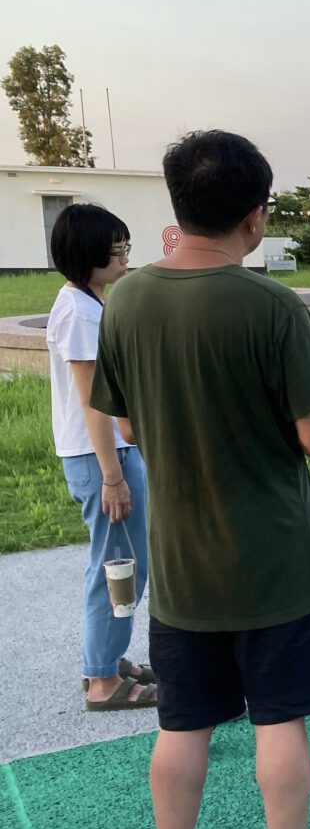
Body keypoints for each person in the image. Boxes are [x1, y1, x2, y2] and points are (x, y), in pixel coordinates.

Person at [91, 130, 310, 829]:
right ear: (255, 215)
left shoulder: (128, 300)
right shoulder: (272, 306)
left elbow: (128, 420)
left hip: (183, 567)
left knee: (183, 723)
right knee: (279, 721)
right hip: (277, 560)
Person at [46, 204, 154, 711]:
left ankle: (107, 661)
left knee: (121, 563)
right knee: (116, 566)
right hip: (102, 457)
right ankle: (102, 681)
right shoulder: (79, 311)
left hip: (108, 453)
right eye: (118, 250)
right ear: (90, 254)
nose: (125, 258)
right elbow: (95, 402)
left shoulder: (87, 303)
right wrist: (113, 476)